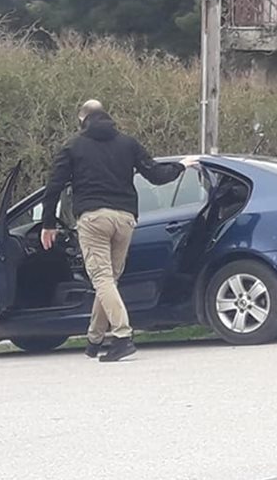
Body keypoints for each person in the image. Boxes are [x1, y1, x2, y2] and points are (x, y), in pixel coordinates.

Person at [40, 100, 192, 362]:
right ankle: (95, 338)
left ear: (82, 120)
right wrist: (182, 166)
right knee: (108, 279)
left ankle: (122, 336)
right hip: (124, 219)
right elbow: (155, 175)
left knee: (101, 278)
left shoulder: (73, 146)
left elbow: (53, 188)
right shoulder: (128, 143)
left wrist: (48, 224)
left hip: (93, 219)